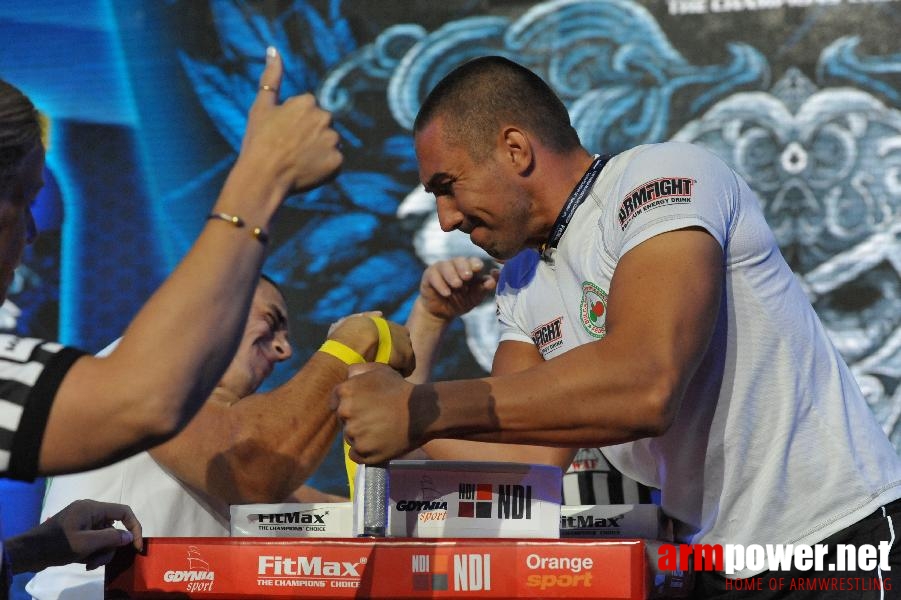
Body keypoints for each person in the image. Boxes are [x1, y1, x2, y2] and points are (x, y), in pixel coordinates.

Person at [332, 56, 901, 596]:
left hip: (838, 540)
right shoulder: (520, 281)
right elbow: (527, 464)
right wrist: (406, 391)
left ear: (515, 149)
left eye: (447, 185)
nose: (446, 218)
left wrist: (419, 409)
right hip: (714, 564)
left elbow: (646, 385)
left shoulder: (661, 176)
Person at [0, 45, 340, 587]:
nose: (32, 235)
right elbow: (154, 405)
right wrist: (261, 175)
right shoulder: (138, 381)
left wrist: (26, 552)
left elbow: (316, 510)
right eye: (23, 200)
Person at [28, 276, 413, 599]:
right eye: (271, 320)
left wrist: (428, 318)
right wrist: (350, 343)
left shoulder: (210, 439)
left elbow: (354, 512)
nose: (284, 349)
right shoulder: (145, 365)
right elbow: (254, 473)